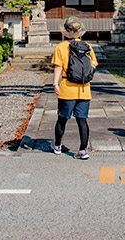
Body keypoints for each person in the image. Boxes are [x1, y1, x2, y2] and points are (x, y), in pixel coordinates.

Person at [51, 16, 98, 159]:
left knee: (62, 119)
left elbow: (58, 67)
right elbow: (93, 64)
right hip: (84, 89)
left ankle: (58, 145)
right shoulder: (87, 47)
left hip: (67, 87)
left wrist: (55, 83)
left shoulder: (61, 47)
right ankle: (83, 150)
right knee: (82, 120)